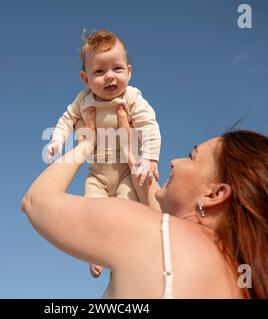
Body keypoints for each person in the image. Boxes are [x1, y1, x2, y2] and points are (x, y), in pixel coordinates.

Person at [22, 106, 268, 298]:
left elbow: (37, 200)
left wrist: (87, 142)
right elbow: (149, 190)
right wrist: (126, 136)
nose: (175, 162)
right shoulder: (250, 284)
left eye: (192, 156)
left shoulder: (150, 233)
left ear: (214, 195)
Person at [46, 30, 162, 278]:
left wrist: (150, 158)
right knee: (94, 213)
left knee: (123, 209)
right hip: (97, 175)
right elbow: (66, 121)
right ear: (85, 79)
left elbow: (149, 125)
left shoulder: (131, 97)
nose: (110, 76)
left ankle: (120, 252)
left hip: (125, 173)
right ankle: (97, 254)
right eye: (99, 71)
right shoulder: (83, 100)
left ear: (129, 72)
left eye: (117, 69)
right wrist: (57, 140)